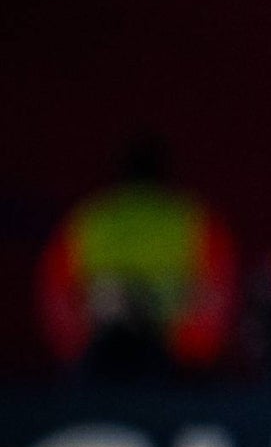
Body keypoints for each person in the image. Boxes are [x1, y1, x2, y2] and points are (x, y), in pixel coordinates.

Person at [36, 137, 241, 381]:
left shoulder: (89, 219)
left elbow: (56, 298)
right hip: (173, 369)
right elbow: (218, 297)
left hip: (103, 364)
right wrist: (192, 355)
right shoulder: (195, 220)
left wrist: (76, 351)